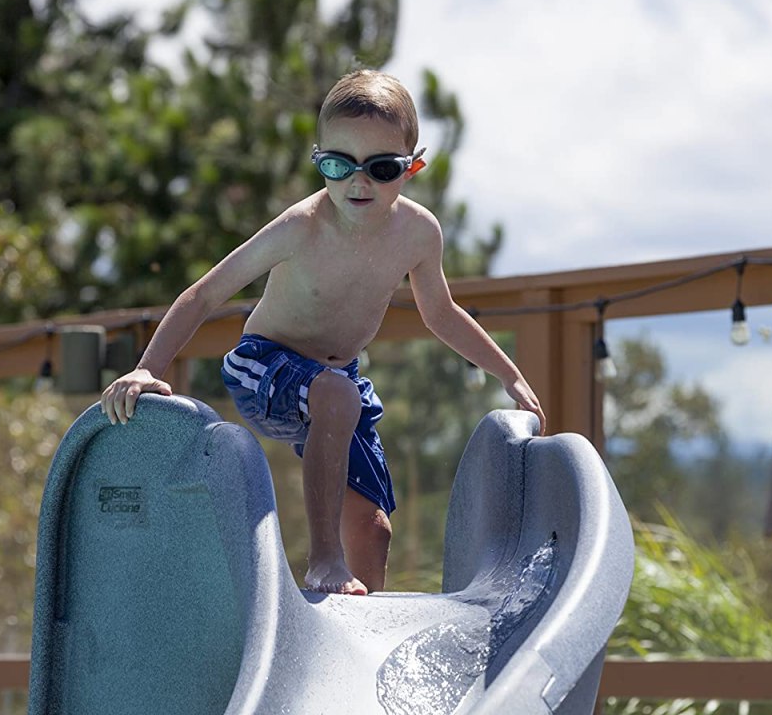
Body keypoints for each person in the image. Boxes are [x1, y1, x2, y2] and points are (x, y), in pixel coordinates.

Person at [100, 69, 545, 596]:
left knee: (374, 531)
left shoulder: (419, 234)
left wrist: (510, 375)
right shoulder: (300, 227)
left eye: (380, 168)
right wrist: (149, 368)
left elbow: (441, 313)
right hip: (262, 364)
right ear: (320, 162)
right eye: (338, 165)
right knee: (334, 396)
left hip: (338, 381)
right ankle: (322, 561)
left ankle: (358, 637)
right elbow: (204, 294)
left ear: (412, 166)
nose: (358, 183)